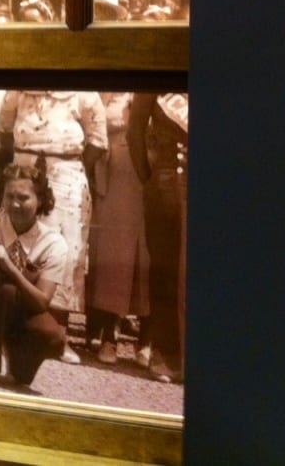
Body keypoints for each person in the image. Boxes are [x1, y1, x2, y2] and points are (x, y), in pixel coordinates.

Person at [0, 90, 107, 364]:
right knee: (16, 243)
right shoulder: (17, 90)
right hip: (23, 172)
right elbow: (4, 132)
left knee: (67, 252)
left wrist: (62, 163)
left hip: (66, 176)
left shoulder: (85, 93)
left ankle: (59, 337)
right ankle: (11, 333)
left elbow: (96, 142)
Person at [0, 163, 69, 388]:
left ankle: (14, 355)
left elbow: (41, 302)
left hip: (22, 311)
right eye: (9, 196)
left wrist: (10, 267)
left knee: (52, 335)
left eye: (23, 197)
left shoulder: (53, 243)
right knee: (5, 290)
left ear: (40, 200)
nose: (14, 204)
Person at [85, 92, 151, 366]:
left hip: (151, 165)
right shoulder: (105, 89)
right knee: (115, 252)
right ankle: (108, 335)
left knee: (149, 253)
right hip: (114, 170)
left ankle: (147, 340)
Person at [128, 92, 188, 384]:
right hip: (167, 181)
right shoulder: (155, 81)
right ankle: (167, 356)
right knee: (167, 268)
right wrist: (149, 180)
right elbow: (134, 132)